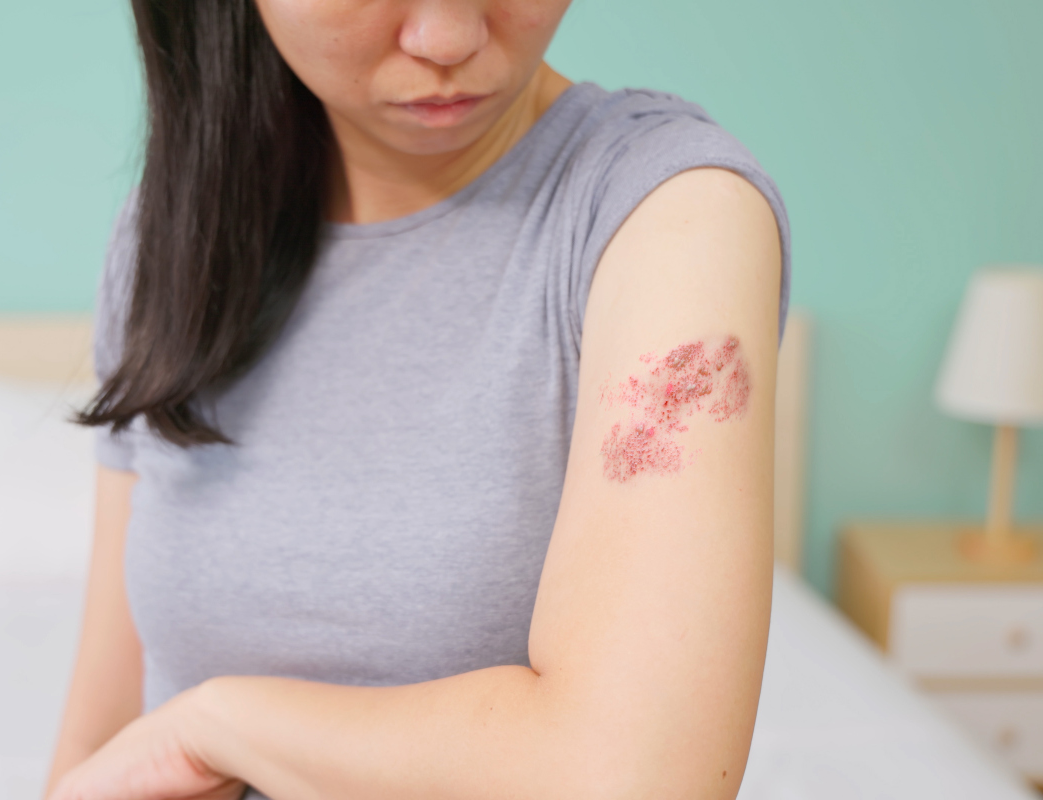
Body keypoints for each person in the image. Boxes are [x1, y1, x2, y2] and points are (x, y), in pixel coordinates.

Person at [44, 0, 790, 797]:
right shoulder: (174, 232)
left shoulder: (670, 216)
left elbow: (635, 778)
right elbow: (100, 735)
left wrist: (215, 728)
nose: (448, 37)